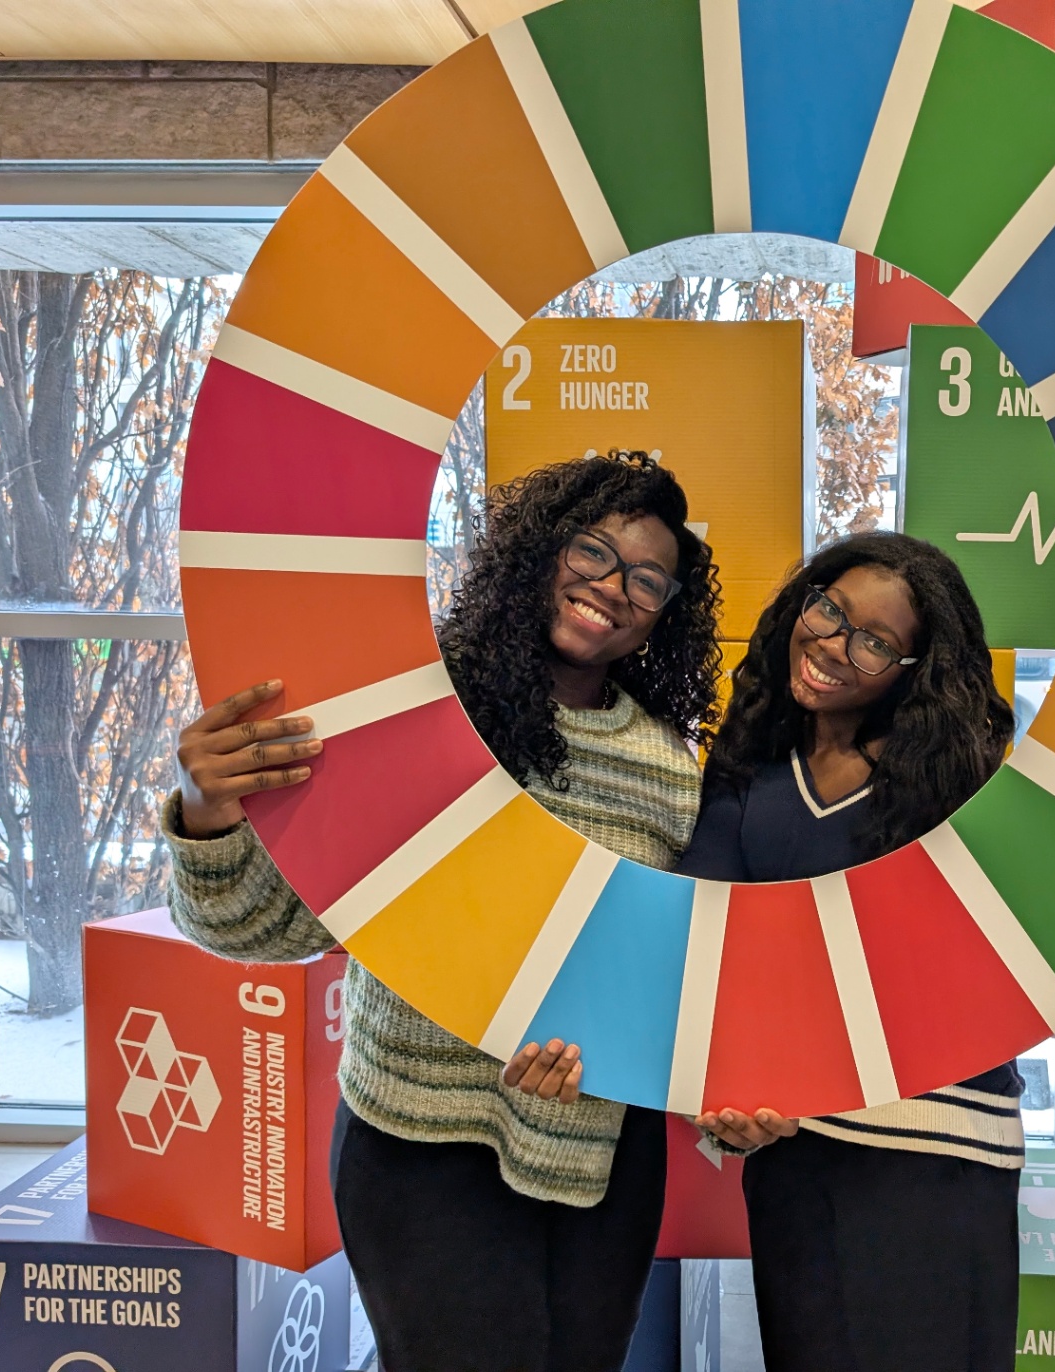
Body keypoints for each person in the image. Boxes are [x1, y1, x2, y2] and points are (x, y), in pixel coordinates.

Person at [165, 451, 723, 1372]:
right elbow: (260, 930)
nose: (612, 586)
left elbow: (663, 972)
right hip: (421, 1138)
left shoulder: (666, 768)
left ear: (664, 612)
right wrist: (206, 814)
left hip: (599, 1158)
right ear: (539, 549)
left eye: (647, 578)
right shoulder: (414, 713)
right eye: (592, 551)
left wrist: (619, 1044)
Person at [678, 531, 1055, 1372]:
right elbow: (708, 962)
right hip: (799, 1158)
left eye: (874, 641)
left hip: (942, 1159)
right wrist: (723, 1104)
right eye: (828, 609)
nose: (832, 643)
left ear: (916, 669)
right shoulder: (748, 776)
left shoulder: (970, 794)